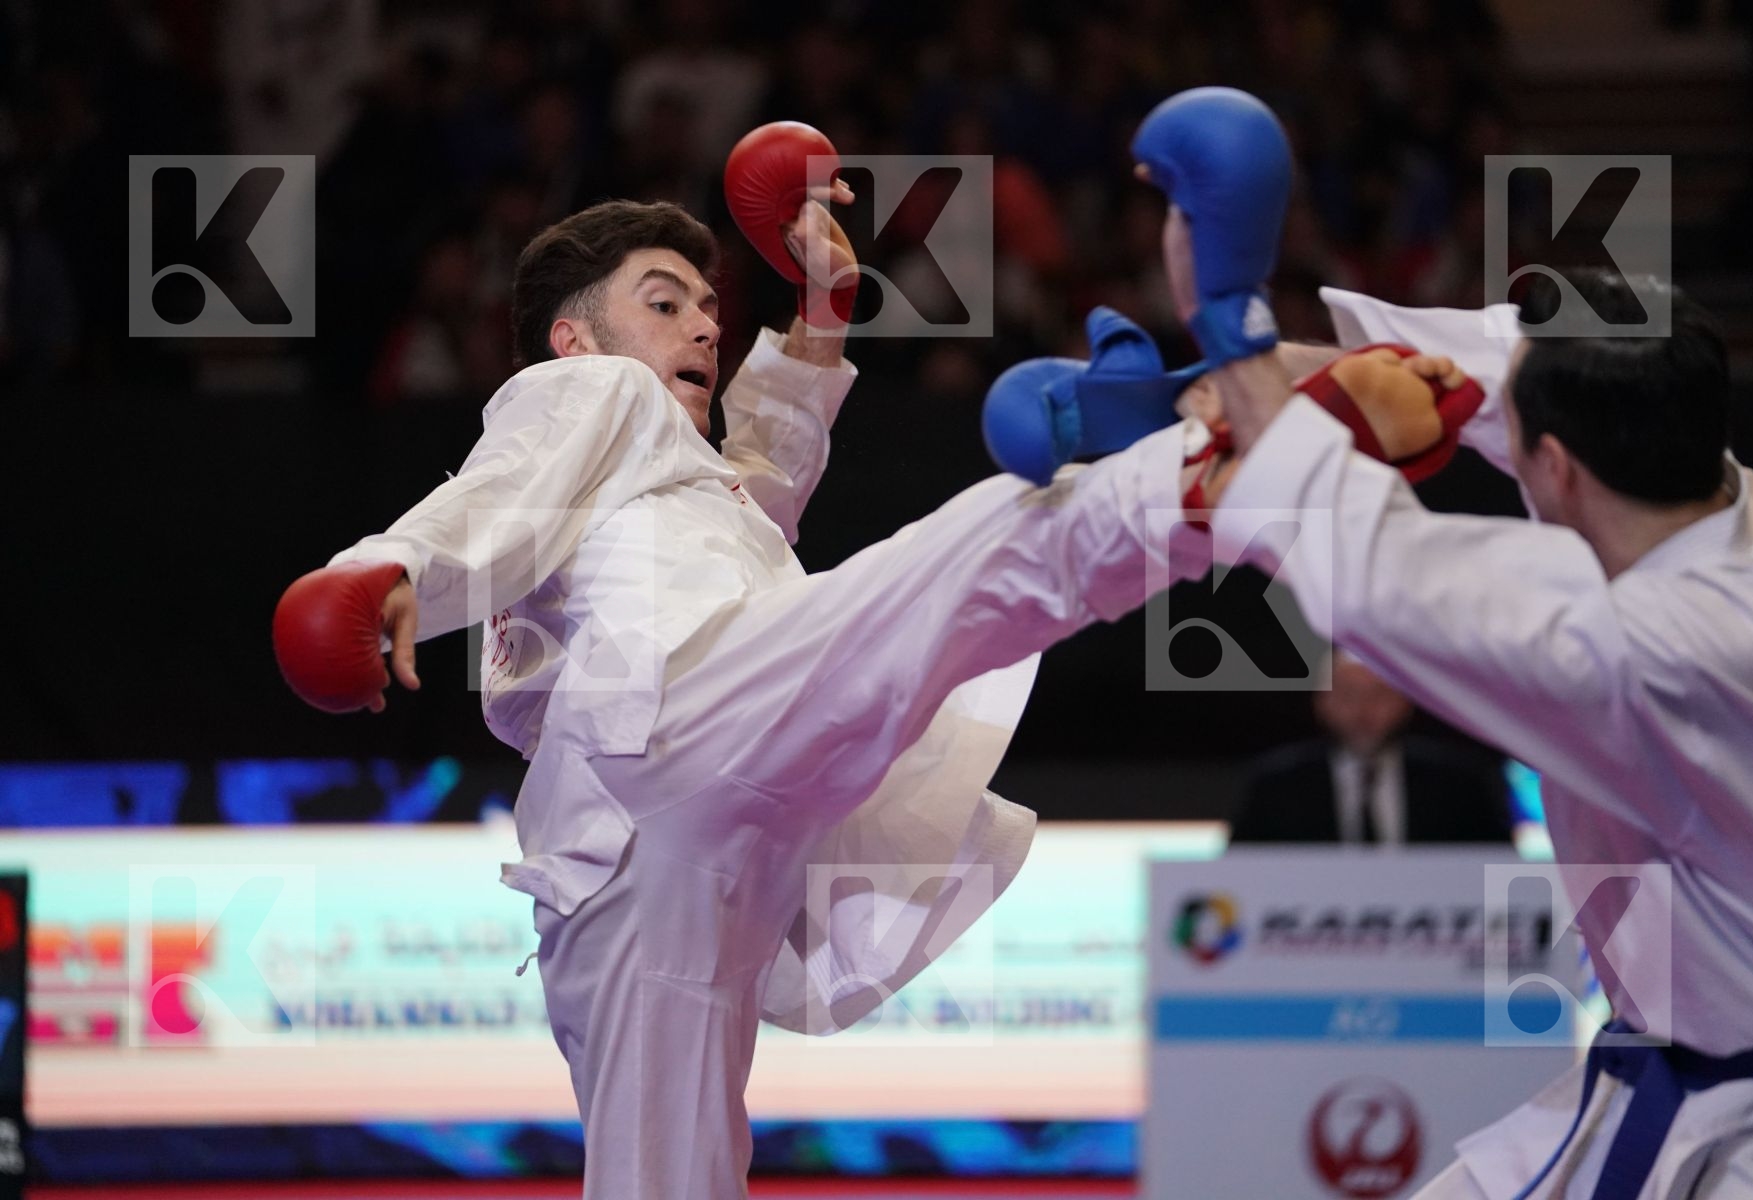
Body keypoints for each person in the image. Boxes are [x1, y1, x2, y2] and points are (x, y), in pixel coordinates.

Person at [271, 118, 1245, 1198]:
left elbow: (762, 476)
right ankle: (1196, 471)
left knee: (672, 1182)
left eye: (707, 307)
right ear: (572, 339)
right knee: (934, 578)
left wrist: (823, 311)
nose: (702, 326)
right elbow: (509, 484)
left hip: (666, 856)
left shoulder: (681, 481)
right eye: (663, 301)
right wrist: (385, 571)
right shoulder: (596, 395)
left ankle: (1183, 481)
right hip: (674, 742)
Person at [1148, 131, 1753, 1194]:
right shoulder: (1719, 486)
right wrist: (1224, 387)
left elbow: (1380, 577)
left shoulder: (1668, 647)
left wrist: (1224, 316)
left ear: (1552, 464)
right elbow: (1462, 377)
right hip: (1670, 1074)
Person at [1232, 645, 1513, 846]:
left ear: (1406, 701)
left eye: (1379, 695)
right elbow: (1241, 874)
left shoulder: (1461, 784)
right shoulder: (1275, 786)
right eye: (1348, 695)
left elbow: (1495, 867)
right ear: (1321, 702)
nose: (1363, 710)